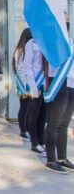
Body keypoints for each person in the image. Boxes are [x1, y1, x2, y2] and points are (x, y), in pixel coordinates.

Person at [44, 17, 74, 174]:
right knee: (54, 123)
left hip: (71, 83)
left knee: (64, 123)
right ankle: (51, 159)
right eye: (63, 19)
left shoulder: (70, 40)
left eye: (67, 18)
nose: (66, 21)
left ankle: (62, 157)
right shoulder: (53, 40)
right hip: (59, 83)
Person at [13, 28, 46, 154]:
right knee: (30, 110)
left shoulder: (41, 44)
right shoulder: (27, 46)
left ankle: (41, 140)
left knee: (42, 112)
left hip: (41, 83)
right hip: (30, 83)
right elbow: (23, 67)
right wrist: (29, 86)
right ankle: (32, 139)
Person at [12, 29, 32, 142]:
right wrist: (25, 85)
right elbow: (21, 69)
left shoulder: (27, 50)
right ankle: (23, 129)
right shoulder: (20, 51)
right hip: (23, 84)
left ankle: (27, 128)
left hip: (28, 83)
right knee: (24, 107)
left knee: (29, 108)